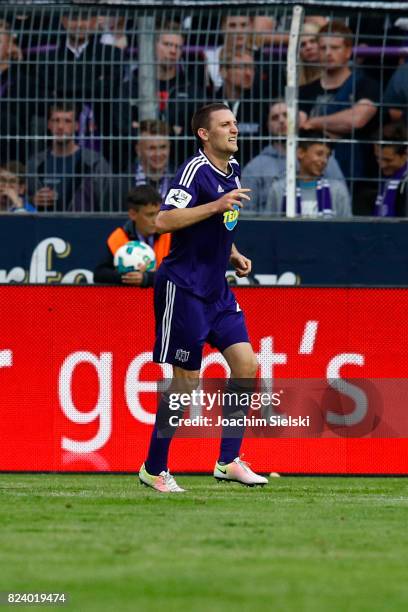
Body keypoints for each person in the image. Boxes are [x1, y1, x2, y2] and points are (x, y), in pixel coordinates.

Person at [139, 102, 268, 493]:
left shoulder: (233, 171)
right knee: (186, 382)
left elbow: (215, 225)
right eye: (225, 125)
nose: (234, 130)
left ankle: (228, 461)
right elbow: (162, 221)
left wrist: (232, 253)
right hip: (184, 289)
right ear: (204, 134)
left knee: (246, 365)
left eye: (234, 124)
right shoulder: (194, 172)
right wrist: (215, 204)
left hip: (217, 290)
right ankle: (153, 468)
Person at [299, 20, 379, 193]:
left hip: (359, 181)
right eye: (323, 48)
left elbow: (357, 120)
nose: (328, 53)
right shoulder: (304, 91)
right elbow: (299, 127)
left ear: (348, 51)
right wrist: (338, 124)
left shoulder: (366, 85)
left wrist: (314, 123)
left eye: (335, 48)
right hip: (313, 179)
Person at [241, 100, 346, 214]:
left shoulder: (325, 160)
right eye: (275, 118)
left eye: (286, 115)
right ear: (268, 126)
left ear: (298, 120)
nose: (281, 120)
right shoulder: (255, 167)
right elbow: (246, 212)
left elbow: (342, 199)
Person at [27, 103, 112, 212]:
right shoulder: (35, 163)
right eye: (56, 120)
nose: (60, 127)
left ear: (76, 126)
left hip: (84, 226)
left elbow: (109, 203)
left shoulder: (95, 163)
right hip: (43, 226)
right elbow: (21, 202)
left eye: (67, 121)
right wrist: (32, 200)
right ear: (49, 124)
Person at [94, 185, 171, 285]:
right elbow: (99, 274)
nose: (156, 220)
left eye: (158, 213)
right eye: (150, 215)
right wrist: (128, 277)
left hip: (163, 297)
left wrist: (147, 278)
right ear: (133, 214)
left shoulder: (170, 235)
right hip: (129, 298)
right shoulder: (118, 237)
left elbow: (181, 271)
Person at [266, 129, 351, 217]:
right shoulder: (279, 189)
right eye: (319, 154)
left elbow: (347, 228)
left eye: (327, 156)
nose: (324, 160)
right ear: (301, 153)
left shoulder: (337, 191)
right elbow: (270, 227)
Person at [212, 48, 266, 166]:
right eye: (242, 67)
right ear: (223, 71)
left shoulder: (261, 106)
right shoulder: (209, 106)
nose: (248, 73)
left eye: (251, 68)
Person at [113, 119, 173, 211]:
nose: (158, 154)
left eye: (163, 147)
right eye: (151, 148)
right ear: (138, 150)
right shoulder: (120, 186)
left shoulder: (182, 181)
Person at [373, 122, 408, 217]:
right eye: (377, 158)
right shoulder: (388, 178)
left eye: (388, 160)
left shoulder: (405, 183)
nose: (382, 165)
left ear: (406, 154)